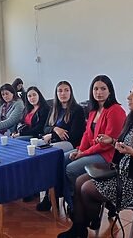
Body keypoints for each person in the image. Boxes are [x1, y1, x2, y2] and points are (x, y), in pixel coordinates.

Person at [58, 80, 133, 238]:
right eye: (130, 92)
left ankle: (85, 223)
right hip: (126, 173)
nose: (129, 97)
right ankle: (80, 227)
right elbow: (127, 145)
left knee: (87, 188)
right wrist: (113, 141)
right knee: (80, 181)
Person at [63, 75, 126, 209]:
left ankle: (82, 204)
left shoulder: (115, 110)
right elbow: (87, 134)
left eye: (103, 88)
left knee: (71, 169)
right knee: (62, 159)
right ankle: (70, 197)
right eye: (95, 89)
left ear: (110, 91)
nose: (99, 92)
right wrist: (80, 150)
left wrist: (82, 154)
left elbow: (106, 143)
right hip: (93, 151)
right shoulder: (93, 110)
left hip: (108, 156)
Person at [37, 81, 85, 211]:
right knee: (37, 151)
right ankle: (50, 195)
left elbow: (74, 135)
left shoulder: (77, 110)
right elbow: (45, 127)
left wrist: (52, 136)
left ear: (71, 92)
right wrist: (55, 129)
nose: (63, 93)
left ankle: (52, 196)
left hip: (71, 144)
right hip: (54, 141)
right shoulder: (54, 109)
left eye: (66, 90)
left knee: (50, 157)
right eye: (60, 91)